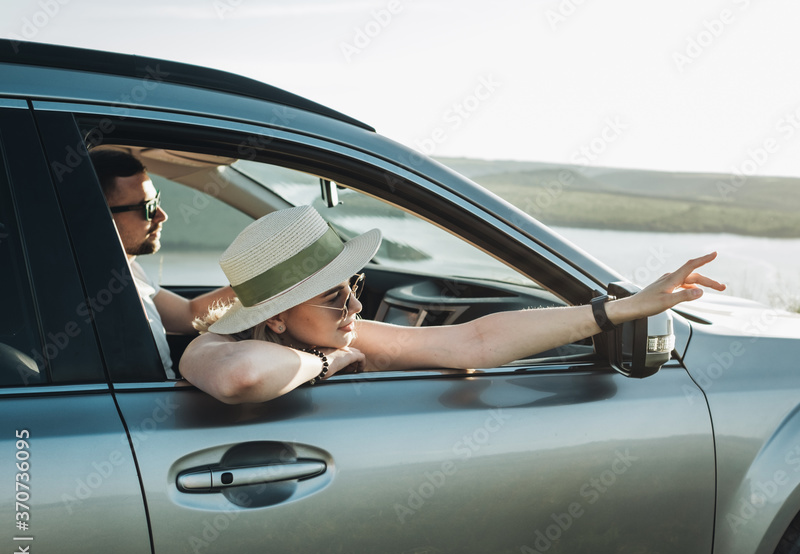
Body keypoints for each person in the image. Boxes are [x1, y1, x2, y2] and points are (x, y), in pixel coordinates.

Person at [180, 205, 725, 404]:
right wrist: (325, 364)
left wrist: (616, 311)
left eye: (353, 286)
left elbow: (475, 341)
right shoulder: (211, 345)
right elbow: (243, 377)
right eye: (332, 296)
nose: (351, 305)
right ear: (275, 315)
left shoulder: (340, 336)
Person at [91, 150, 235, 378]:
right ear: (100, 216)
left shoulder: (128, 269)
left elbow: (190, 314)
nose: (161, 215)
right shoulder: (95, 291)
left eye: (156, 201)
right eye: (147, 208)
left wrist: (262, 284)